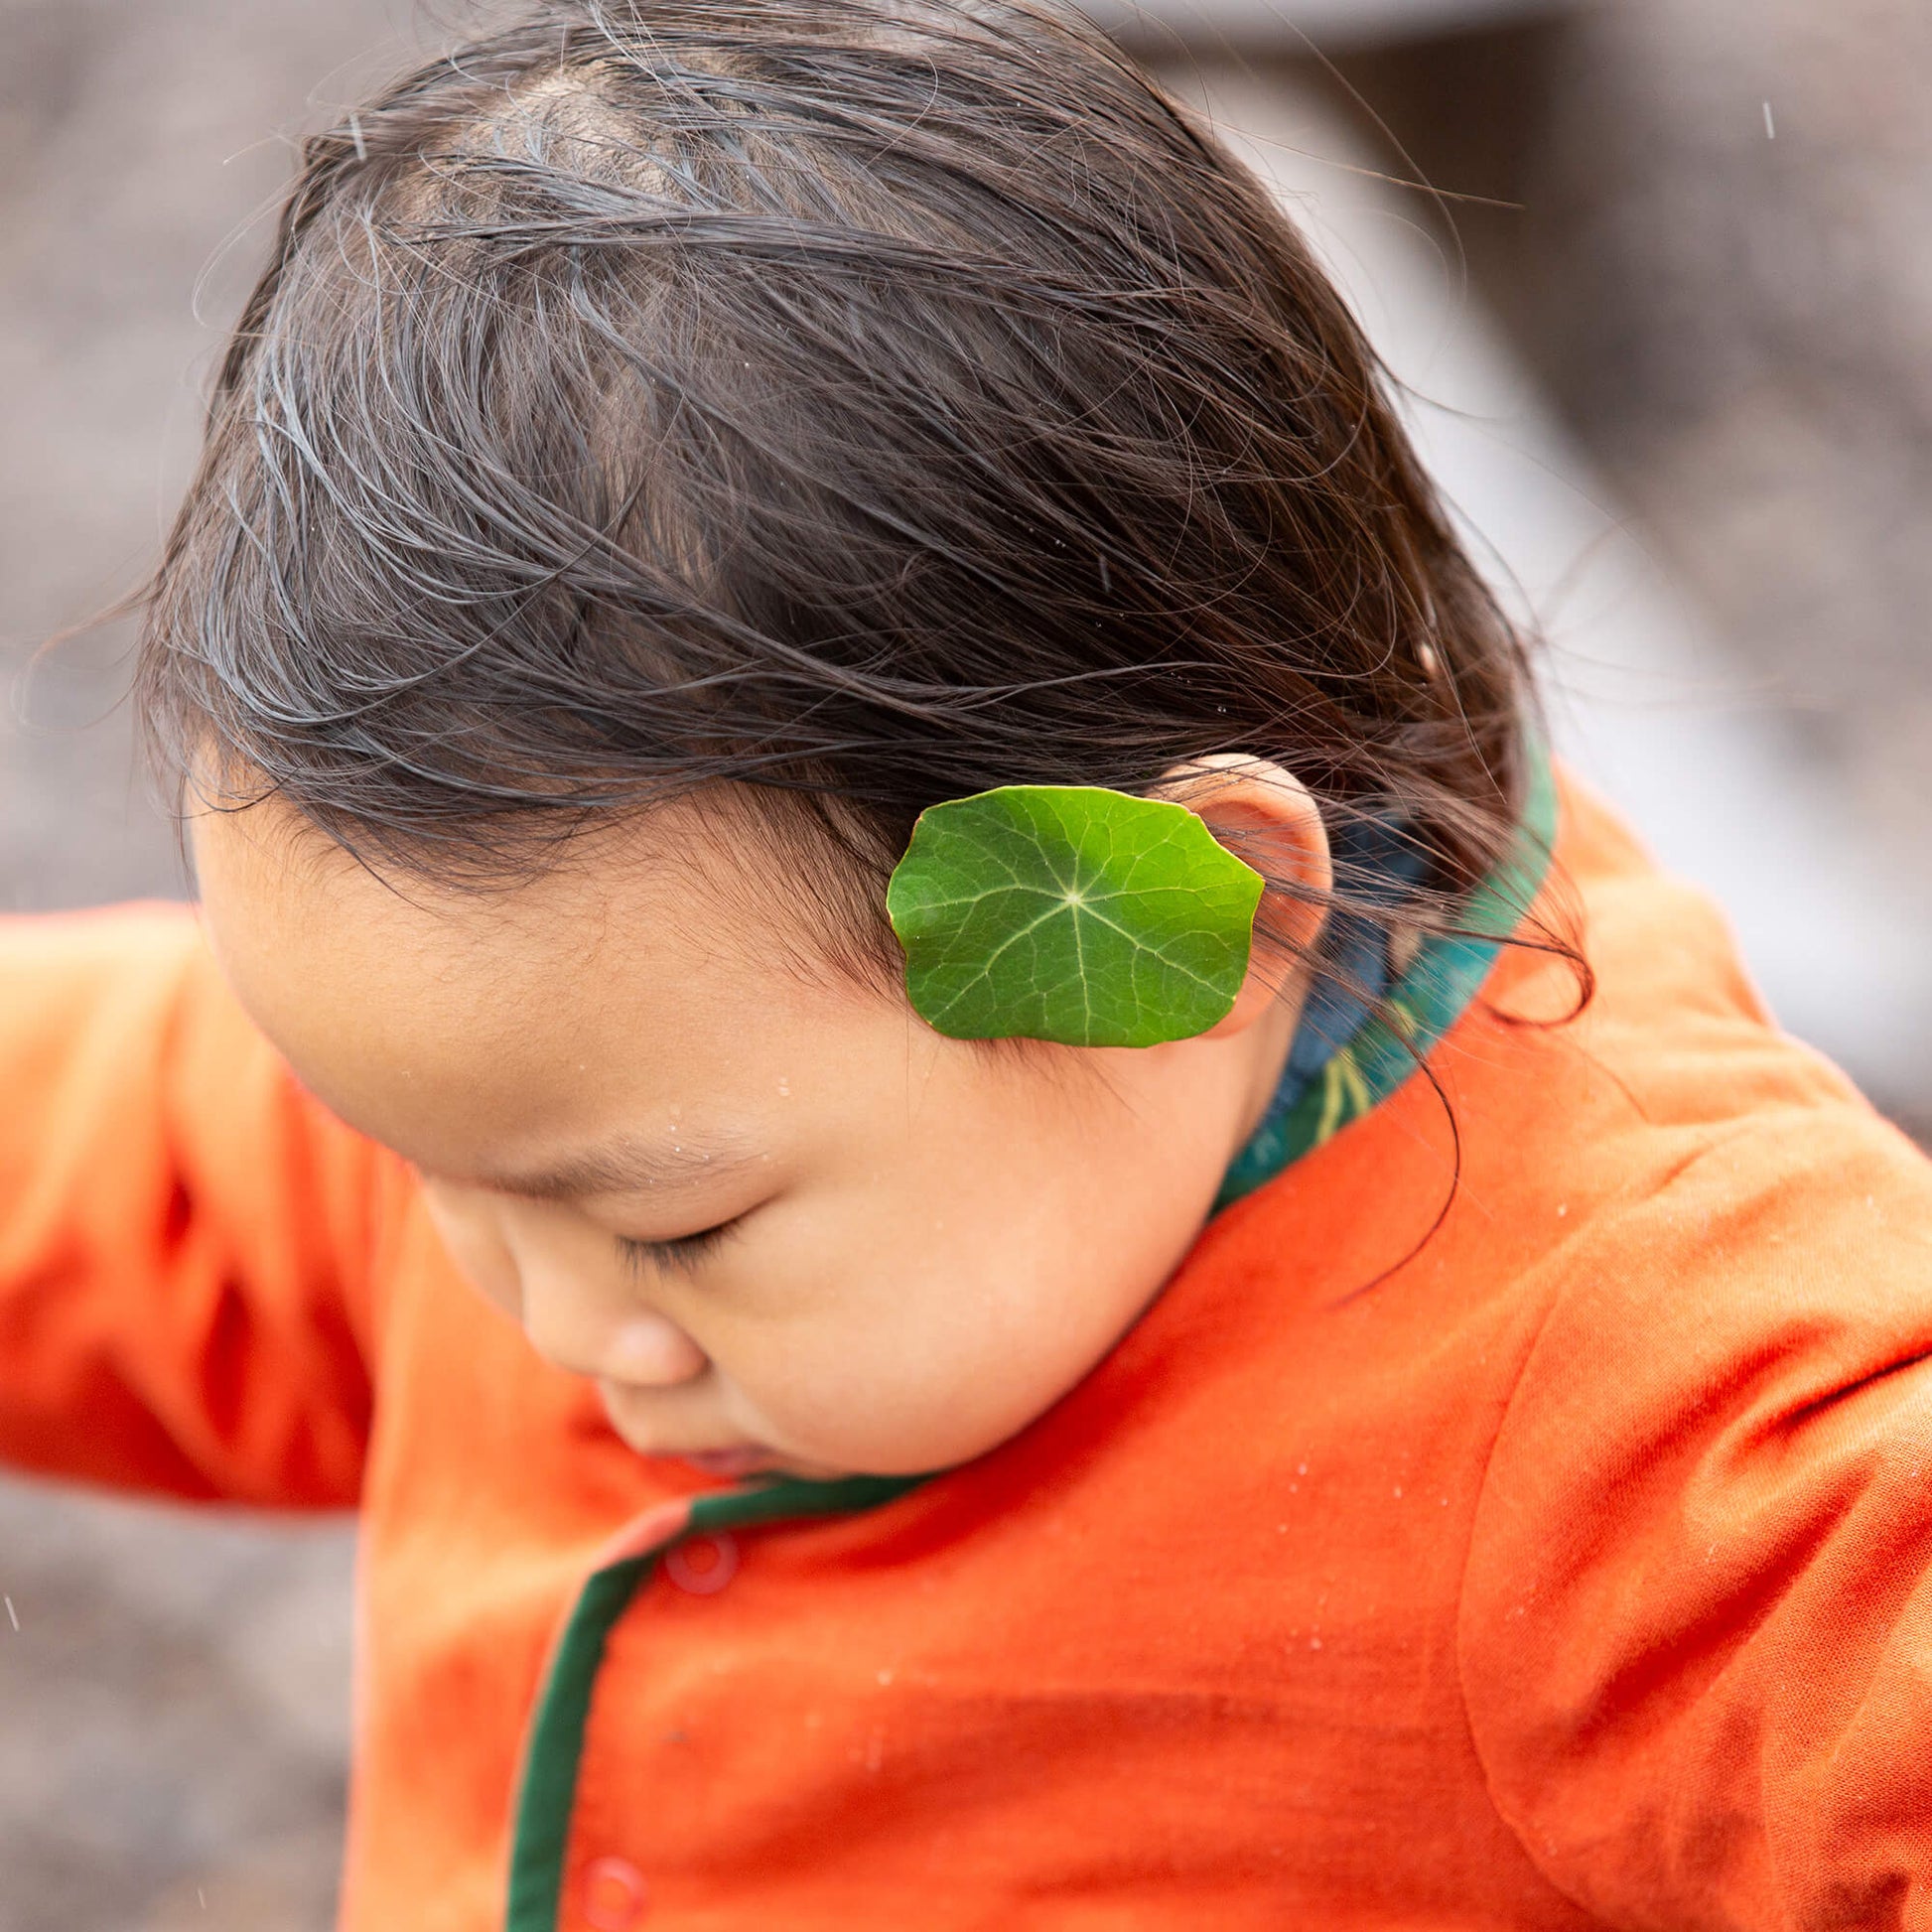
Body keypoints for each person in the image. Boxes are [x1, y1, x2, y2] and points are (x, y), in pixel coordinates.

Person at [5, 0, 1930, 1924]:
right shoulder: (563, 1102)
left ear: (1185, 913)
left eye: (681, 1235)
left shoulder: (1636, 1409)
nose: (536, 1320)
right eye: (411, 1154)